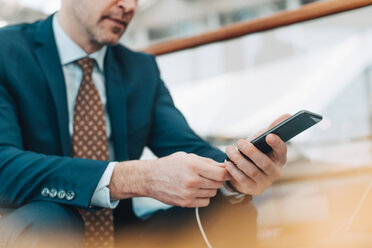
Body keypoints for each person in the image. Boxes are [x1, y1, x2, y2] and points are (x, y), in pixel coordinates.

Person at [0, 0, 288, 247]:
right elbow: (3, 164)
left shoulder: (140, 69)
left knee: (227, 207)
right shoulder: (6, 51)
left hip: (122, 233)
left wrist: (239, 172)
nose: (129, 6)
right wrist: (136, 178)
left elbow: (189, 147)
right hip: (30, 224)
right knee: (50, 221)